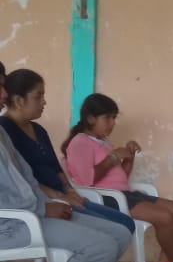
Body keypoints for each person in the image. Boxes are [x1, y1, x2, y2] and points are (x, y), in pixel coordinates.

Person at [0, 66, 130, 262]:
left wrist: (52, 200)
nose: (4, 94)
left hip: (33, 210)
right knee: (101, 247)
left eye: (3, 86)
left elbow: (27, 177)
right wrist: (43, 208)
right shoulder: (6, 128)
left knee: (121, 234)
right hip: (12, 224)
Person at [63, 93, 173, 262]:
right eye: (107, 118)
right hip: (106, 199)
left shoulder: (103, 142)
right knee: (165, 218)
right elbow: (87, 180)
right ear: (90, 118)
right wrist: (113, 157)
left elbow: (121, 177)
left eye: (114, 118)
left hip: (124, 194)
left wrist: (129, 157)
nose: (112, 123)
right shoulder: (80, 142)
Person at [0, 69, 135, 238]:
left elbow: (56, 168)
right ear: (19, 101)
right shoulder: (5, 129)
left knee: (126, 223)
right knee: (111, 232)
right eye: (38, 96)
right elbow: (22, 177)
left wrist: (70, 191)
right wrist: (59, 196)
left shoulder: (38, 130)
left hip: (61, 195)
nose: (44, 102)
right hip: (40, 201)